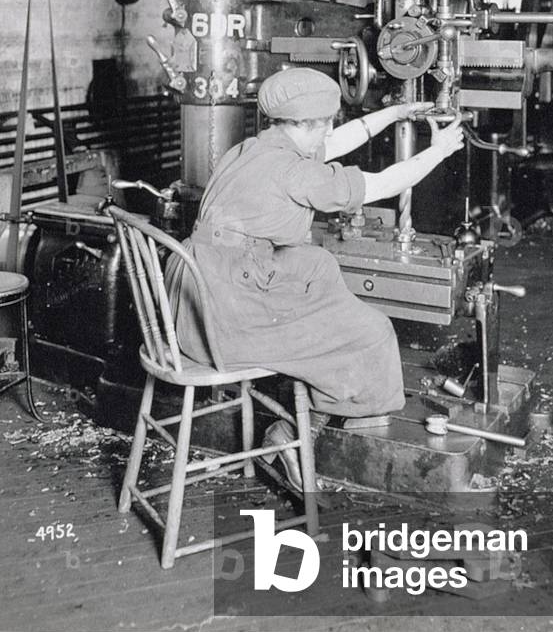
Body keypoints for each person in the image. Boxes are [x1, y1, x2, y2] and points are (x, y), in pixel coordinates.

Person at [165, 67, 464, 490]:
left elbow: (337, 142)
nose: (329, 132)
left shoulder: (255, 148)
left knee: (317, 265)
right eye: (324, 124)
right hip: (223, 315)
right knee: (372, 332)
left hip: (193, 289)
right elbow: (380, 184)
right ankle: (293, 433)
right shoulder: (297, 172)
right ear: (305, 125)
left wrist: (395, 113)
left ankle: (323, 379)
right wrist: (438, 151)